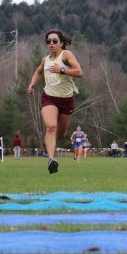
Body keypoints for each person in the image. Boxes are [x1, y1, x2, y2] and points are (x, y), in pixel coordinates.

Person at [27, 29, 83, 174]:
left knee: (60, 134)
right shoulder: (46, 59)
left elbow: (79, 72)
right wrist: (32, 84)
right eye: (48, 41)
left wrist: (62, 70)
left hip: (66, 100)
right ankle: (51, 160)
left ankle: (51, 143)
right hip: (49, 97)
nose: (51, 43)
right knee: (51, 126)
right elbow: (39, 71)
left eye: (54, 41)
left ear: (61, 43)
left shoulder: (66, 55)